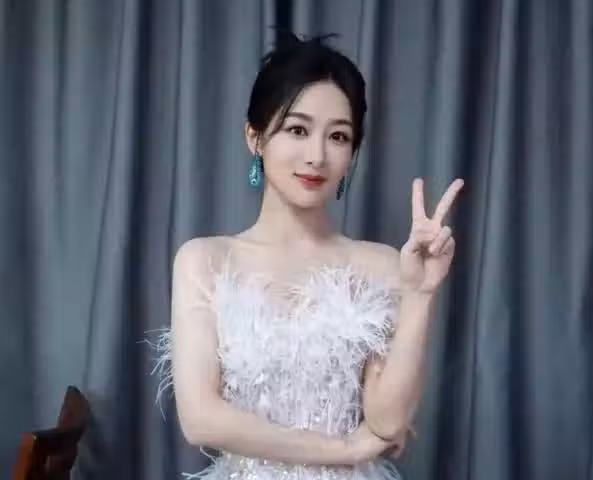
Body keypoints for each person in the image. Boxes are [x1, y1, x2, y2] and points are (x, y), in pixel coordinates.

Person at [151, 33, 464, 479]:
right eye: (297, 130)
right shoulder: (204, 260)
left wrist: (419, 294)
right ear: (255, 138)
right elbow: (200, 418)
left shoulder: (379, 265)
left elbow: (388, 421)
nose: (317, 156)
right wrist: (341, 450)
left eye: (338, 136)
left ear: (352, 153)